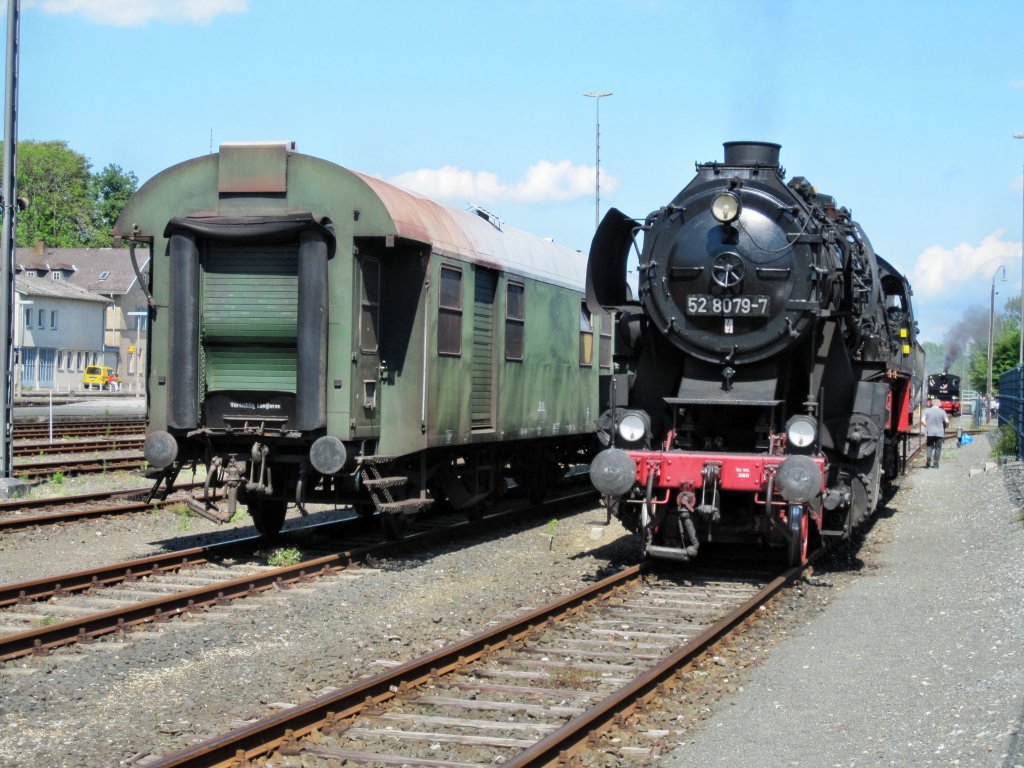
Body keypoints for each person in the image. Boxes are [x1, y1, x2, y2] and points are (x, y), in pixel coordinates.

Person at [922, 398, 950, 469]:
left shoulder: (926, 411)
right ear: (938, 404)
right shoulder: (942, 411)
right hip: (939, 433)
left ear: (932, 403)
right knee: (938, 448)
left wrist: (926, 425)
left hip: (930, 432)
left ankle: (928, 460)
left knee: (929, 446)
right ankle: (936, 463)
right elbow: (947, 422)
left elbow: (922, 420)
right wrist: (946, 426)